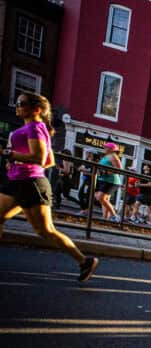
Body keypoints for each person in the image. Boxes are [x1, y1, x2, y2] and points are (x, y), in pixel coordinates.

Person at [0, 93, 99, 282]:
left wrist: (9, 154)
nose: (17, 106)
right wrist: (14, 162)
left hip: (31, 185)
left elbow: (40, 158)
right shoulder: (31, 128)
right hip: (16, 181)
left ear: (36, 109)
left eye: (22, 103)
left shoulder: (35, 127)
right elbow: (49, 161)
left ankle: (84, 261)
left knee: (45, 231)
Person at [94, 142, 122, 220]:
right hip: (102, 179)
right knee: (104, 200)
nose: (104, 148)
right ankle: (105, 218)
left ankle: (115, 216)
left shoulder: (114, 156)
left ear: (111, 149)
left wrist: (105, 172)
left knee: (100, 198)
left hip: (111, 181)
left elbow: (119, 170)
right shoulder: (106, 156)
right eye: (105, 147)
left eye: (106, 147)